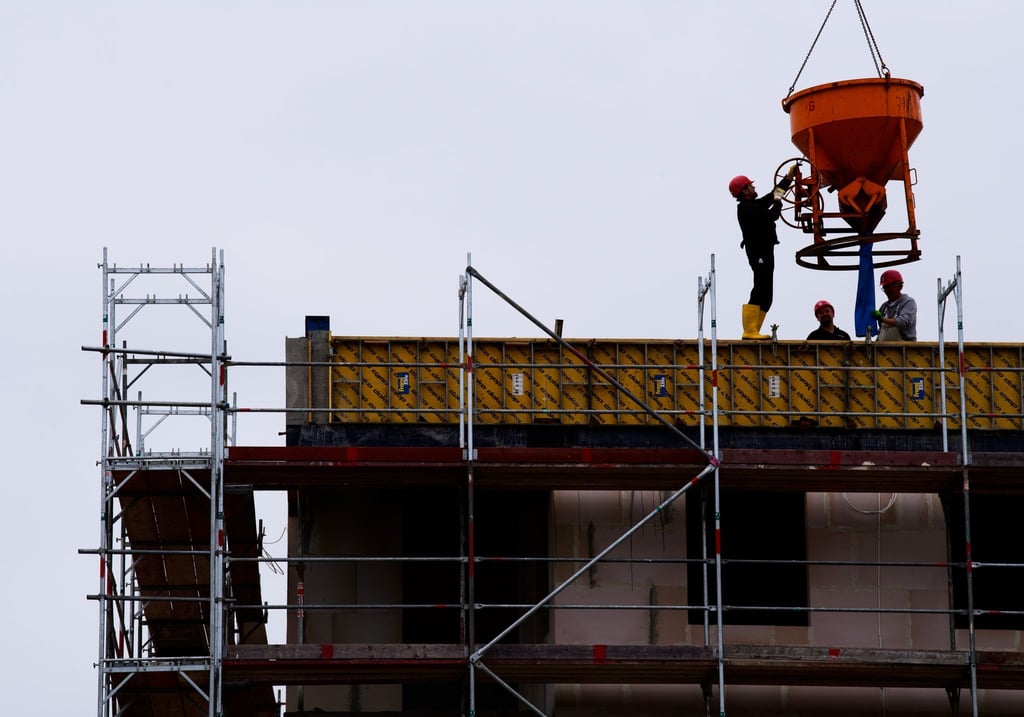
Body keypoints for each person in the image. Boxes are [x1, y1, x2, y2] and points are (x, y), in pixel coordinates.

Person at [729, 166, 795, 339]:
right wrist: (778, 201)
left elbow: (772, 195)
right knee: (760, 288)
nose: (754, 187)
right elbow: (772, 215)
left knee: (766, 294)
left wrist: (788, 179)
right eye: (750, 186)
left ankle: (754, 330)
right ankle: (749, 331)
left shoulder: (754, 205)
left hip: (766, 251)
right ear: (744, 191)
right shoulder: (746, 209)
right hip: (758, 253)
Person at [872, 269, 917, 341]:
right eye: (885, 287)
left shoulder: (908, 302)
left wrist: (882, 319)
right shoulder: (884, 307)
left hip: (904, 346)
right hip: (884, 347)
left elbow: (902, 322)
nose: (887, 291)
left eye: (889, 287)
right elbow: (881, 330)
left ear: (900, 286)